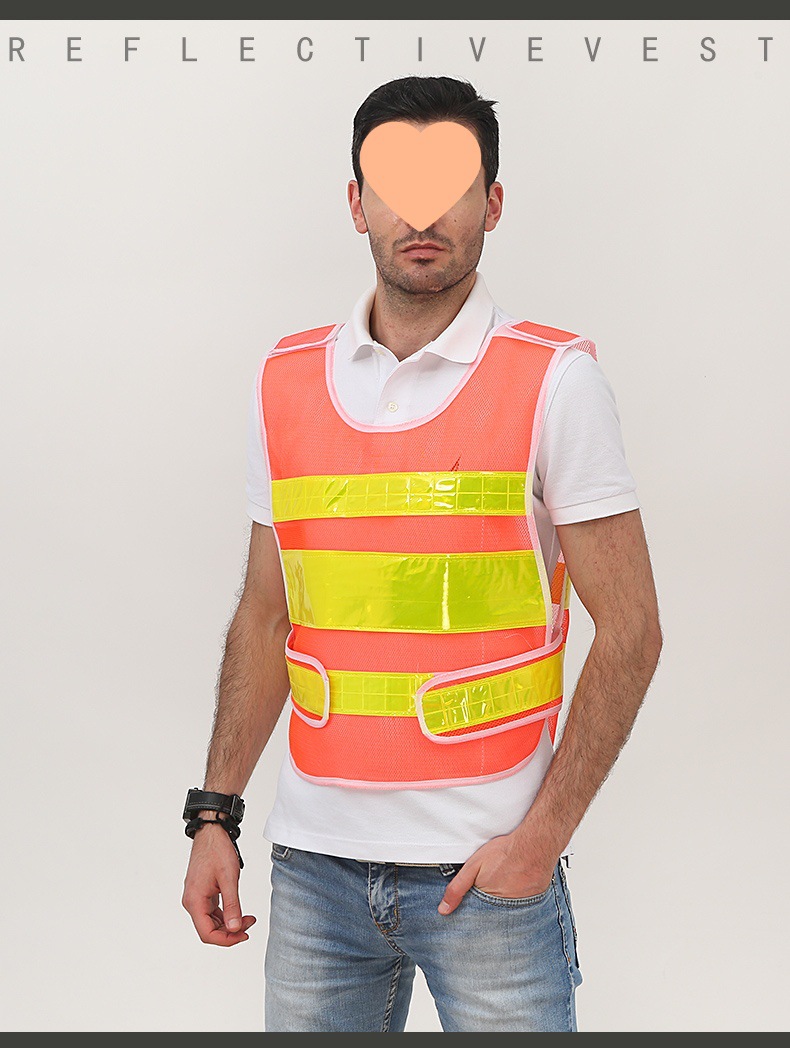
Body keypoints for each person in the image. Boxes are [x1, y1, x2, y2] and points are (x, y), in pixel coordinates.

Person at [181, 75, 662, 1033]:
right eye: (396, 187)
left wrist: (540, 843)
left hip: (488, 879)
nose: (423, 215)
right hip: (313, 874)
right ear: (357, 202)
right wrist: (214, 813)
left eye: (452, 187)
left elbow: (634, 631)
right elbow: (266, 616)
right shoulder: (285, 381)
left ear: (493, 203)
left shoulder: (555, 382)